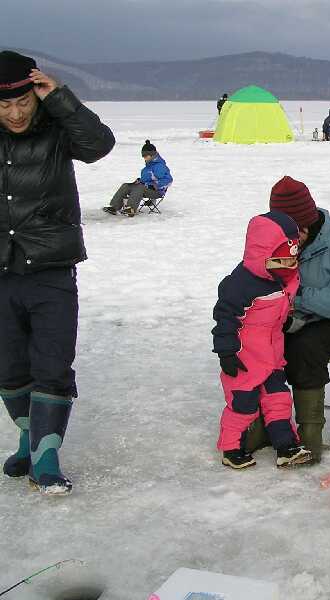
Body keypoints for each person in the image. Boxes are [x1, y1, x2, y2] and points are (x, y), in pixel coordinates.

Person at [0, 50, 115, 495]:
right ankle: (28, 439)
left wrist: (60, 99)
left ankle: (46, 453)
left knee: (52, 361)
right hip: (2, 270)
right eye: (5, 106)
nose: (15, 114)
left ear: (36, 93)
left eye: (23, 102)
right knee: (9, 366)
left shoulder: (56, 130)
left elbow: (99, 145)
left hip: (50, 266)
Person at [267, 176, 330, 462]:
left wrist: (300, 298)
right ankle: (267, 422)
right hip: (294, 316)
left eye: (294, 229)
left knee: (303, 344)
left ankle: (309, 434)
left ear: (307, 222)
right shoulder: (276, 240)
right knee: (259, 340)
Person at [212, 211, 313, 470]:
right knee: (243, 406)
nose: (290, 267)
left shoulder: (283, 276)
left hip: (272, 355)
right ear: (263, 254)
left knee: (278, 399)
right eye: (281, 261)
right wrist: (227, 353)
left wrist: (287, 322)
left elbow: (280, 308)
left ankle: (285, 446)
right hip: (244, 356)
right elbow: (225, 319)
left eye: (292, 261)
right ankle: (230, 447)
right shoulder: (240, 284)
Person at [103, 140, 172, 217]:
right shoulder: (148, 166)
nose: (144, 157)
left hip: (157, 191)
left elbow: (168, 180)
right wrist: (140, 181)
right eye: (143, 156)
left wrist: (153, 185)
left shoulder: (160, 166)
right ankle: (115, 207)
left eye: (146, 156)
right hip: (145, 188)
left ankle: (131, 209)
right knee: (126, 186)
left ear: (152, 155)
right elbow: (147, 179)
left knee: (139, 188)